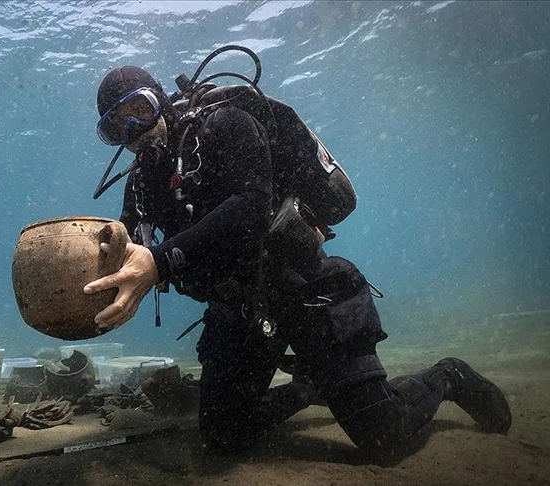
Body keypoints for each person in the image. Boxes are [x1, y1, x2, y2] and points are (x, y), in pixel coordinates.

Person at [82, 50, 512, 465]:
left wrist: (159, 261)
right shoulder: (142, 183)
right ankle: (312, 386)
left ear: (160, 99)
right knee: (223, 434)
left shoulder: (224, 123)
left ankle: (449, 375)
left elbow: (251, 206)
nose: (133, 130)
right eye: (115, 128)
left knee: (386, 438)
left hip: (307, 291)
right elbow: (124, 242)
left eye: (139, 110)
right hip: (242, 309)